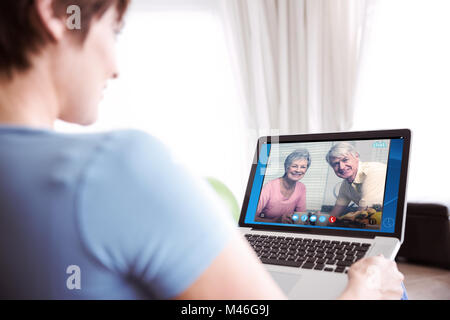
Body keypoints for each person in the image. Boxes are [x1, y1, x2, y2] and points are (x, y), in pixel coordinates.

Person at [0, 0, 404, 299]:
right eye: (114, 30)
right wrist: (365, 286)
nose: (116, 66)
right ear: (55, 12)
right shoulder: (114, 169)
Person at [326, 142, 388, 222]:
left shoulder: (375, 171)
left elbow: (362, 214)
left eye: (345, 160)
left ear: (356, 156)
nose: (341, 167)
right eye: (336, 164)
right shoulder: (345, 184)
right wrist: (323, 222)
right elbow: (334, 215)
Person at [255, 149, 309, 224]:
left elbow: (301, 216)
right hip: (266, 229)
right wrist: (274, 221)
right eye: (294, 166)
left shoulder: (301, 188)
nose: (298, 170)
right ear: (286, 167)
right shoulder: (270, 186)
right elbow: (251, 217)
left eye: (303, 167)